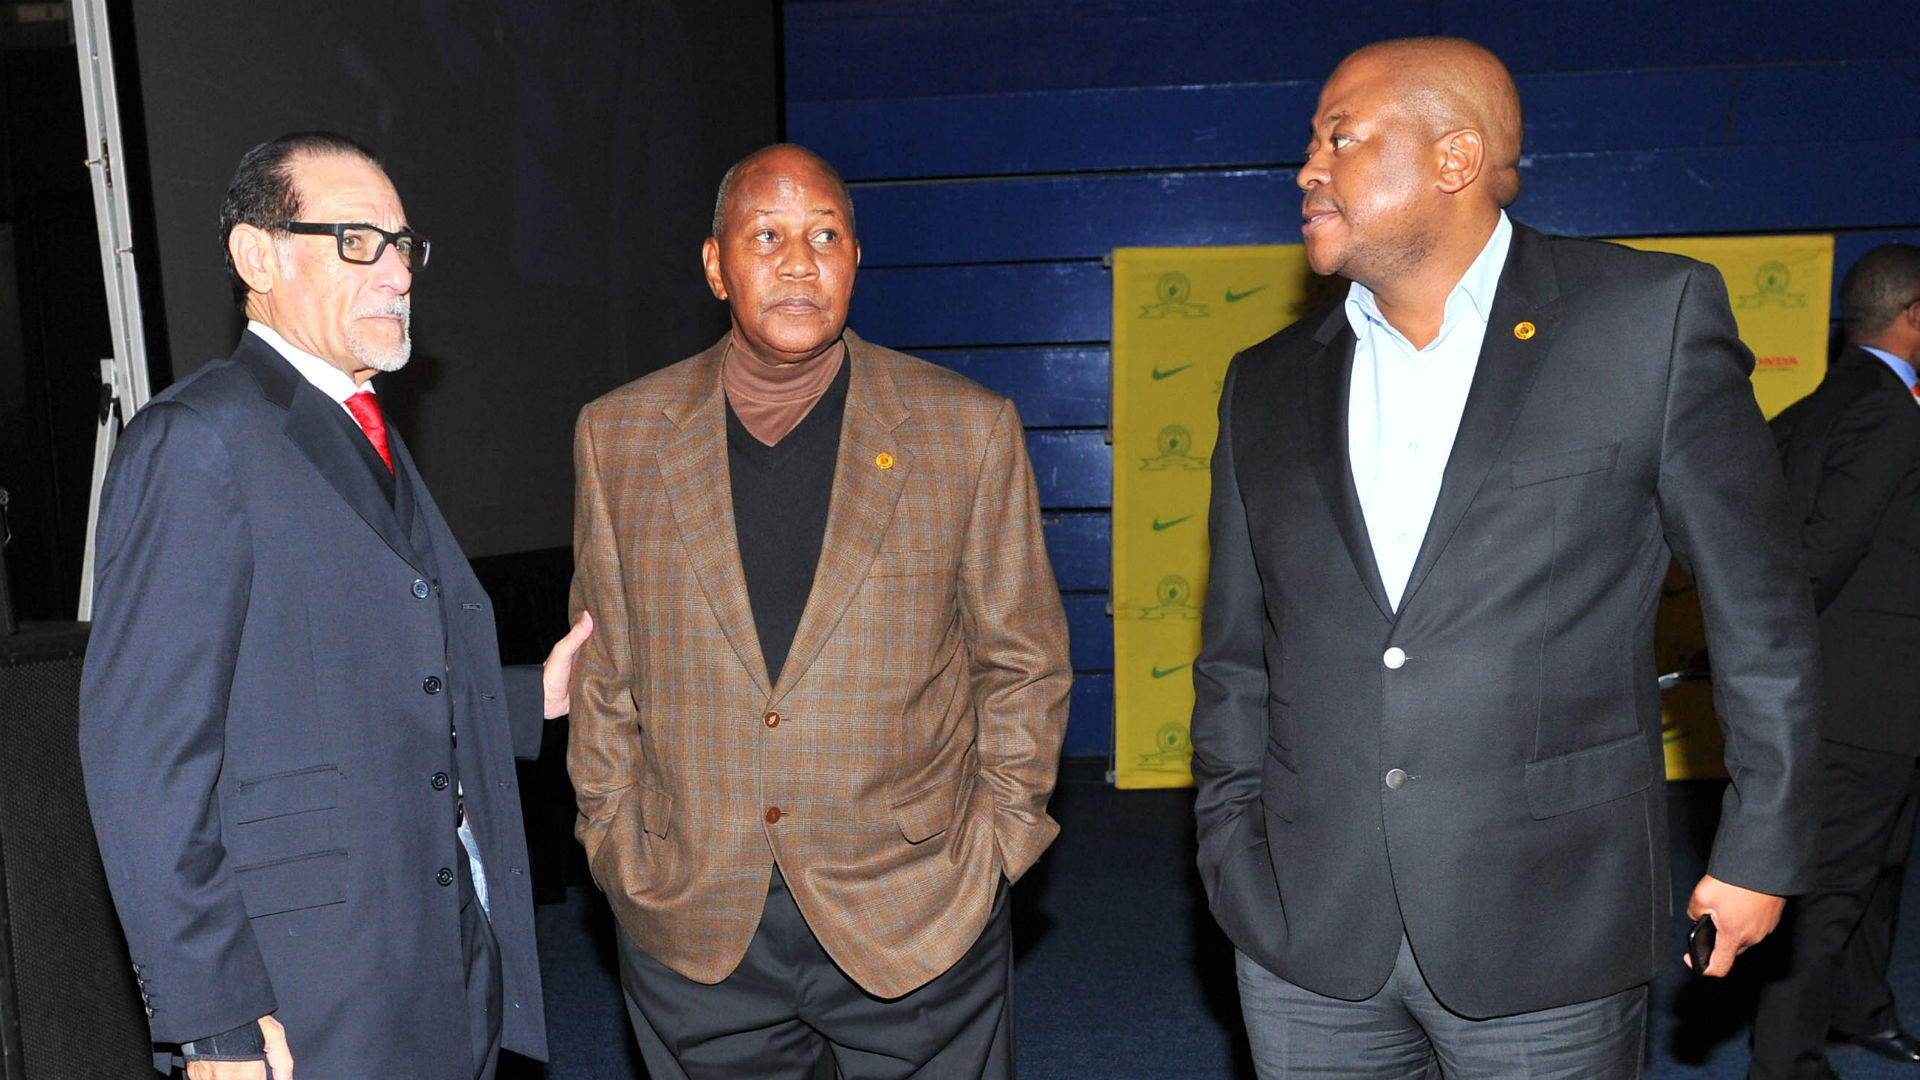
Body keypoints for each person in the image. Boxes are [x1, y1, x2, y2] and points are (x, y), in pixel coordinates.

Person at [1189, 37, 1820, 1077]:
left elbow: (1762, 614)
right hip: (1304, 929)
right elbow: (1236, 656)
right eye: (1311, 144)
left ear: (1455, 158)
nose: (1307, 169)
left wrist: (1761, 851)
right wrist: (1229, 850)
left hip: (1549, 924)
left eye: (1340, 138)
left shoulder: (1646, 321)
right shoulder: (1262, 382)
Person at [79, 131, 592, 1080]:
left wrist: (532, 698)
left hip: (438, 960)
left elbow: (360, 665)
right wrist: (214, 1020)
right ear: (256, 256)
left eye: (404, 245)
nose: (397, 273)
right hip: (308, 992)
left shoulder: (358, 423)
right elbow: (144, 765)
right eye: (358, 241)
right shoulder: (197, 440)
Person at [566, 143, 1071, 1079]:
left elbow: (1023, 662)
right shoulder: (618, 436)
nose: (799, 262)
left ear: (856, 259)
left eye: (826, 236)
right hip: (694, 918)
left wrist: (998, 845)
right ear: (716, 265)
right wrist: (613, 843)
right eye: (767, 236)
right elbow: (605, 670)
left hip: (917, 914)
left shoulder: (966, 429)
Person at [1750, 243, 1920, 1079]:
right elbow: (1823, 555)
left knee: (1879, 868)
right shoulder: (1889, 413)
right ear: (1915, 316)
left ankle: (1862, 1012)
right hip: (1864, 701)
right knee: (1830, 891)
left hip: (1858, 696)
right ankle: (1784, 1064)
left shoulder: (1818, 403)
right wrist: (1763, 653)